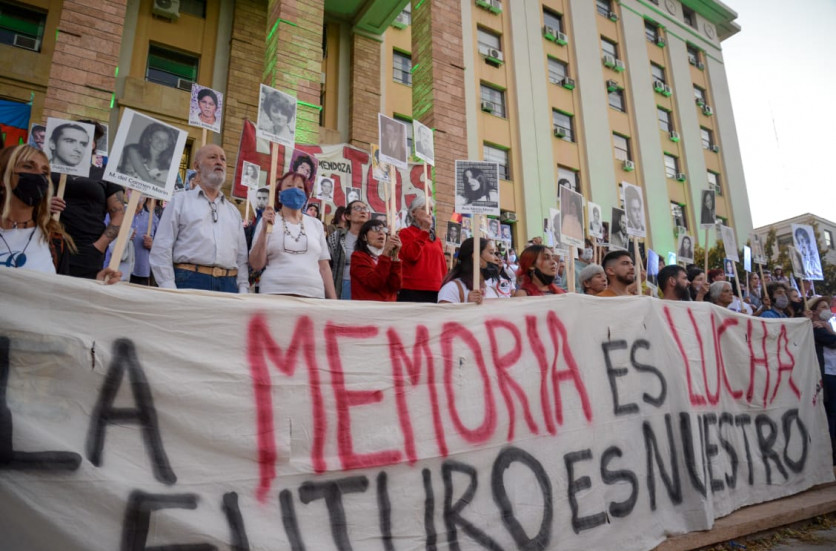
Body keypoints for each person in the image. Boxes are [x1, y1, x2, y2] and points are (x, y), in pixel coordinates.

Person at [0, 145, 121, 283]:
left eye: (45, 172)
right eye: (28, 167)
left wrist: (96, 282)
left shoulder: (55, 242)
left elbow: (61, 289)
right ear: (4, 177)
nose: (38, 175)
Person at [150, 144, 249, 293]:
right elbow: (162, 246)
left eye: (223, 159)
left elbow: (241, 256)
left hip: (228, 285)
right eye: (212, 157)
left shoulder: (233, 211)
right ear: (197, 165)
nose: (219, 162)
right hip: (189, 280)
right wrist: (168, 287)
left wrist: (243, 288)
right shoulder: (180, 201)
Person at [50, 120, 125, 279]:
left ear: (93, 144)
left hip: (87, 251)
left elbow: (119, 215)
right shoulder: (48, 171)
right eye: (70, 139)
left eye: (87, 139)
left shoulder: (105, 175)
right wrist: (43, 206)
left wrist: (99, 246)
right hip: (48, 243)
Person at [249, 171, 336, 298]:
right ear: (279, 194)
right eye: (289, 186)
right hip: (275, 293)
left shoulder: (316, 224)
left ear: (306, 195)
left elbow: (324, 267)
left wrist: (333, 301)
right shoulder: (268, 222)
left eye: (300, 187)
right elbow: (256, 264)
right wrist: (263, 230)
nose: (295, 190)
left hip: (312, 295)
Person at [397, 195, 447, 302]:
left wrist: (446, 285)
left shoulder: (436, 239)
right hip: (412, 289)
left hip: (436, 289)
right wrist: (424, 231)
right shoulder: (405, 233)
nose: (428, 212)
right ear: (413, 212)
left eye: (431, 209)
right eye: (424, 208)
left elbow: (442, 266)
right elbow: (412, 255)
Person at [327, 199, 370, 299]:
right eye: (357, 208)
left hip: (367, 286)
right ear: (347, 216)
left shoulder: (373, 237)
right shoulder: (337, 237)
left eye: (365, 208)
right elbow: (327, 264)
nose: (363, 211)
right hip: (343, 285)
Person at [350, 219, 402, 301]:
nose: (381, 233)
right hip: (369, 309)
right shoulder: (358, 257)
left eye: (384, 230)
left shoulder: (388, 257)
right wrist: (385, 254)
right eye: (375, 229)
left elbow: (395, 286)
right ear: (364, 236)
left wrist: (395, 256)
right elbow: (374, 283)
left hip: (388, 309)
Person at [438, 237, 496, 304]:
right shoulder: (451, 289)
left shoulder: (492, 291)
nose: (497, 259)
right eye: (491, 253)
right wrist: (467, 305)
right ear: (476, 257)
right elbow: (444, 314)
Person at [129, 197, 159, 285]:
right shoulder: (118, 214)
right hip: (118, 269)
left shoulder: (153, 219)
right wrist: (123, 235)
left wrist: (152, 245)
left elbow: (161, 247)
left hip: (141, 271)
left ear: (146, 196)